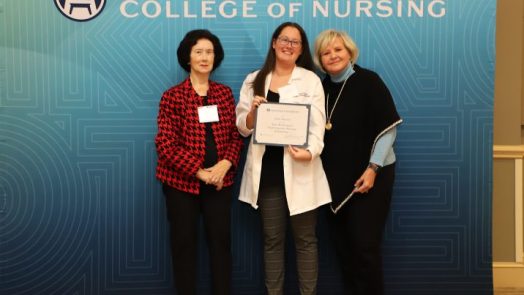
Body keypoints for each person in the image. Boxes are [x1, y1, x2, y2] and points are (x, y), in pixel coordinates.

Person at [236, 22, 332, 295]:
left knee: (305, 241)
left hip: (300, 168)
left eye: (295, 42)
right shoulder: (254, 79)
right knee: (273, 241)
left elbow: (317, 125)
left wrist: (310, 151)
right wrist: (253, 114)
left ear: (301, 50)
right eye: (284, 40)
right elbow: (242, 126)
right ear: (274, 42)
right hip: (268, 174)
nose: (288, 45)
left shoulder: (310, 80)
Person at [313, 29, 402, 295]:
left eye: (338, 50)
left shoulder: (368, 81)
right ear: (320, 59)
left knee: (365, 248)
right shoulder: (320, 88)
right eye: (326, 52)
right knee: (344, 250)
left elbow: (388, 129)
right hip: (333, 181)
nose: (333, 56)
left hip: (370, 178)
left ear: (350, 51)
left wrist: (373, 168)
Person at [155, 29, 243, 295]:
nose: (205, 57)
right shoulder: (172, 96)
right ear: (188, 57)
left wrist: (225, 163)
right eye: (199, 52)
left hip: (220, 183)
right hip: (182, 184)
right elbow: (165, 144)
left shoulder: (225, 94)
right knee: (184, 246)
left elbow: (235, 136)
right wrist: (200, 172)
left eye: (209, 52)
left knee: (221, 245)